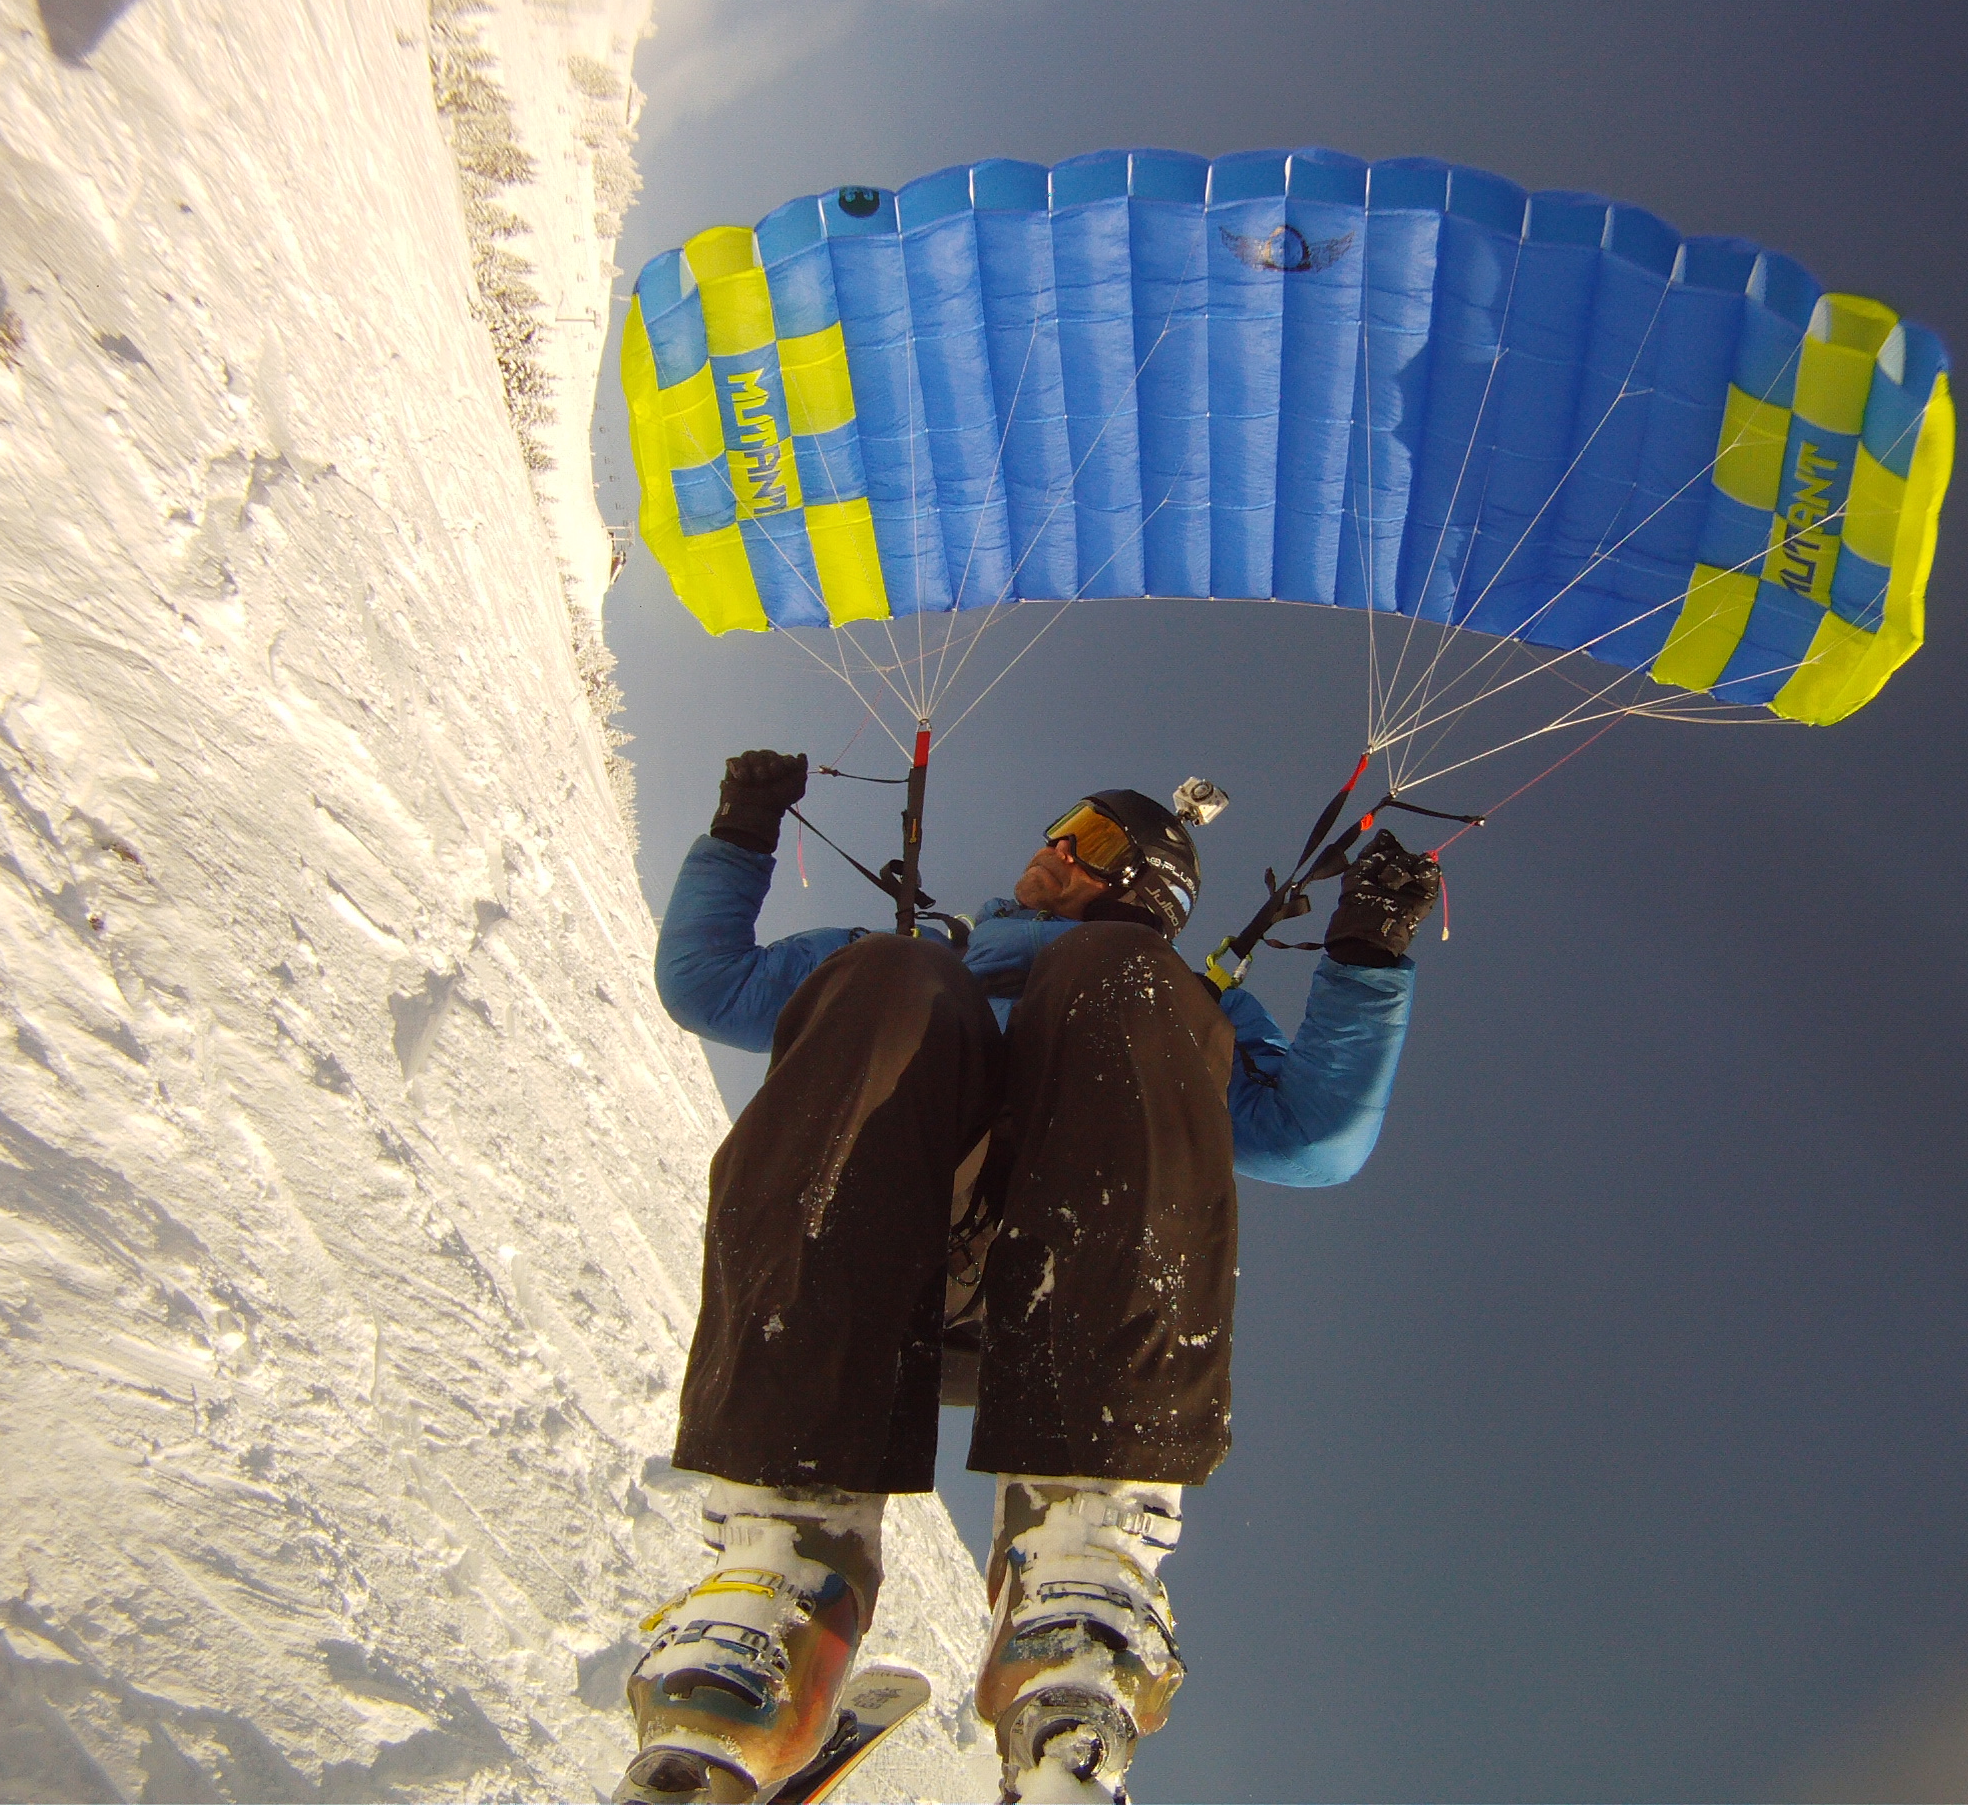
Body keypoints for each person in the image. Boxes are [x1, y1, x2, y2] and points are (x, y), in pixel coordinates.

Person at [618, 750, 1442, 1804]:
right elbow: (708, 986)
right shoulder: (924, 958)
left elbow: (1316, 1138)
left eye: (1093, 841)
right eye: (1061, 823)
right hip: (883, 1253)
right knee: (893, 976)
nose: (1055, 846)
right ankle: (787, 1558)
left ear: (1151, 886)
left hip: (1069, 1275)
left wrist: (1367, 957)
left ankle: (1083, 1554)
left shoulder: (1172, 1003)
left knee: (1124, 981)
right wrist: (741, 832)